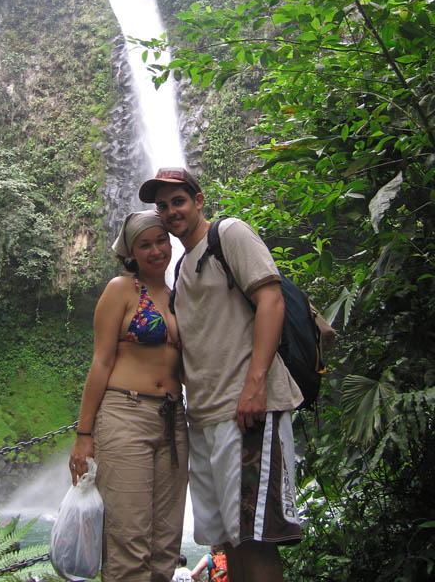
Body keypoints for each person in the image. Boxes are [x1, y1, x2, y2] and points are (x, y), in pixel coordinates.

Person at [139, 168, 303, 582]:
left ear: (198, 200)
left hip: (247, 411)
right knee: (229, 541)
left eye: (178, 200)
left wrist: (254, 385)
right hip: (205, 419)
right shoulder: (180, 271)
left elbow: (270, 301)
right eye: (162, 205)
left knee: (255, 538)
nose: (171, 211)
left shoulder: (229, 235)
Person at [69, 210, 189, 582]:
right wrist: (84, 436)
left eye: (160, 241)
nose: (156, 250)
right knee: (129, 541)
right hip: (125, 415)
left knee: (166, 544)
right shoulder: (120, 290)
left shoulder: (179, 295)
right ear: (131, 253)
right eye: (145, 245)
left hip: (174, 420)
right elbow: (101, 362)